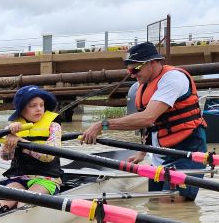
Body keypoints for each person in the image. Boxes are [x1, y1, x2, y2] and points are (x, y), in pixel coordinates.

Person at [80, 41, 207, 202]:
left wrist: (103, 124)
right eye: (129, 71)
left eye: (135, 69)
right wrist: (142, 153)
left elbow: (148, 117)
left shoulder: (173, 78)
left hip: (185, 153)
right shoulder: (144, 85)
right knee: (153, 205)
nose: (132, 74)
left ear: (152, 62)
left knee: (169, 206)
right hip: (159, 157)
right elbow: (152, 125)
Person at [0, 85, 64, 209]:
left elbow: (48, 157)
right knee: (1, 204)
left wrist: (20, 142)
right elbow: (5, 157)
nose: (39, 109)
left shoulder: (54, 126)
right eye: (33, 105)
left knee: (23, 204)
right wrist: (9, 141)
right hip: (19, 178)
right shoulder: (12, 127)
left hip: (47, 179)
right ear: (21, 110)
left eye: (41, 105)